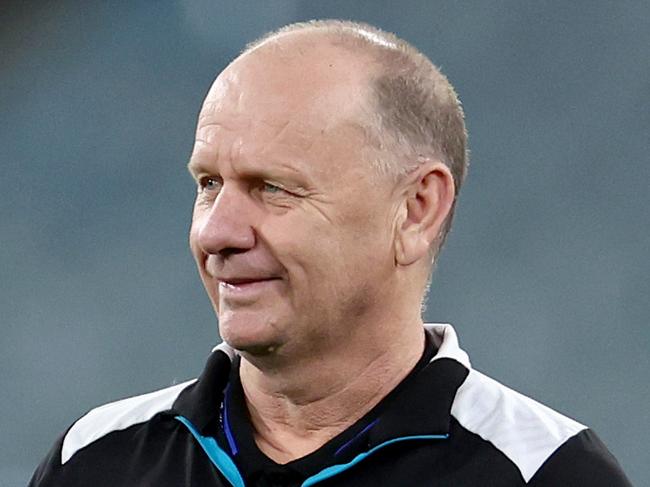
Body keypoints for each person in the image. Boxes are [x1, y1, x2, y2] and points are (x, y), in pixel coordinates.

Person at [29, 20, 632, 487]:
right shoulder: (95, 459)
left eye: (273, 187)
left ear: (416, 208)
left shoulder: (546, 473)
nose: (218, 233)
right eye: (208, 184)